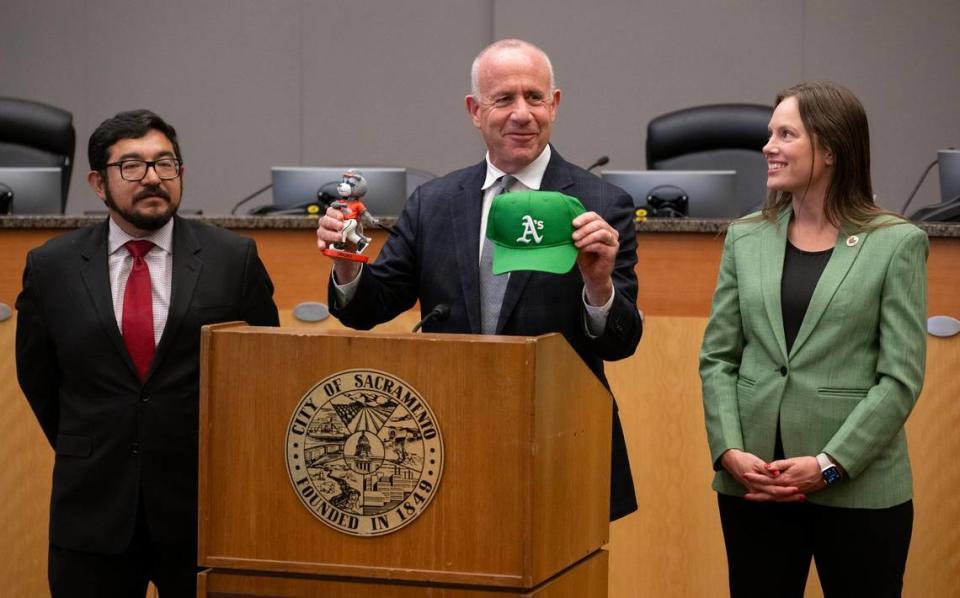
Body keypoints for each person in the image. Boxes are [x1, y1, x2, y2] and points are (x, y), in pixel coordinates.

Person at [316, 38, 641, 521]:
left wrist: (598, 286)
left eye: (534, 97)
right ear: (474, 110)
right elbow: (369, 309)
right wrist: (347, 264)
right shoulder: (435, 203)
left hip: (560, 438)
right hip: (446, 438)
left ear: (555, 104)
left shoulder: (600, 205)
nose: (521, 114)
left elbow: (620, 342)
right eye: (503, 99)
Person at [16, 109, 280, 597]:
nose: (153, 178)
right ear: (99, 182)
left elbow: (266, 374)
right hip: (93, 509)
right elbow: (39, 376)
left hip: (203, 511)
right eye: (132, 166)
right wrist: (93, 442)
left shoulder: (231, 259)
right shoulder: (51, 267)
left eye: (166, 164)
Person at [699, 81, 927, 597]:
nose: (768, 146)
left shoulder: (896, 244)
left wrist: (827, 466)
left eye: (786, 134)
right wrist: (729, 449)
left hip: (859, 488)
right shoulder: (746, 237)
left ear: (829, 149)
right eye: (769, 133)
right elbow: (718, 358)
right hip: (755, 484)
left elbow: (900, 378)